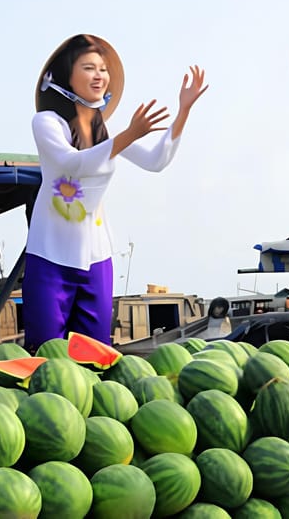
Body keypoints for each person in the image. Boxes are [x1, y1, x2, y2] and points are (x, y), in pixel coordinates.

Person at [23, 34, 207, 350]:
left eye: (103, 69)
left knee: (94, 355)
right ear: (66, 74)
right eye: (89, 67)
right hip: (50, 255)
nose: (99, 75)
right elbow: (73, 164)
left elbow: (156, 160)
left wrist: (183, 111)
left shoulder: (104, 132)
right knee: (45, 354)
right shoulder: (46, 123)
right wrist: (128, 135)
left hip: (97, 258)